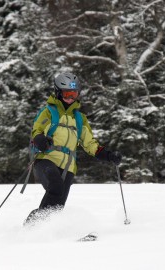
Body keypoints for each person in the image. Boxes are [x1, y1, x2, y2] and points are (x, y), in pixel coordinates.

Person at [24, 72, 122, 224]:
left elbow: (89, 143)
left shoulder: (79, 118)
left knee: (58, 204)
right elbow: (37, 130)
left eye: (74, 94)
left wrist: (108, 155)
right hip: (46, 160)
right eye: (67, 93)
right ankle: (35, 226)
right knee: (55, 186)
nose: (70, 98)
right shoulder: (49, 112)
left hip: (68, 166)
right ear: (58, 92)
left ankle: (42, 228)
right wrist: (40, 139)